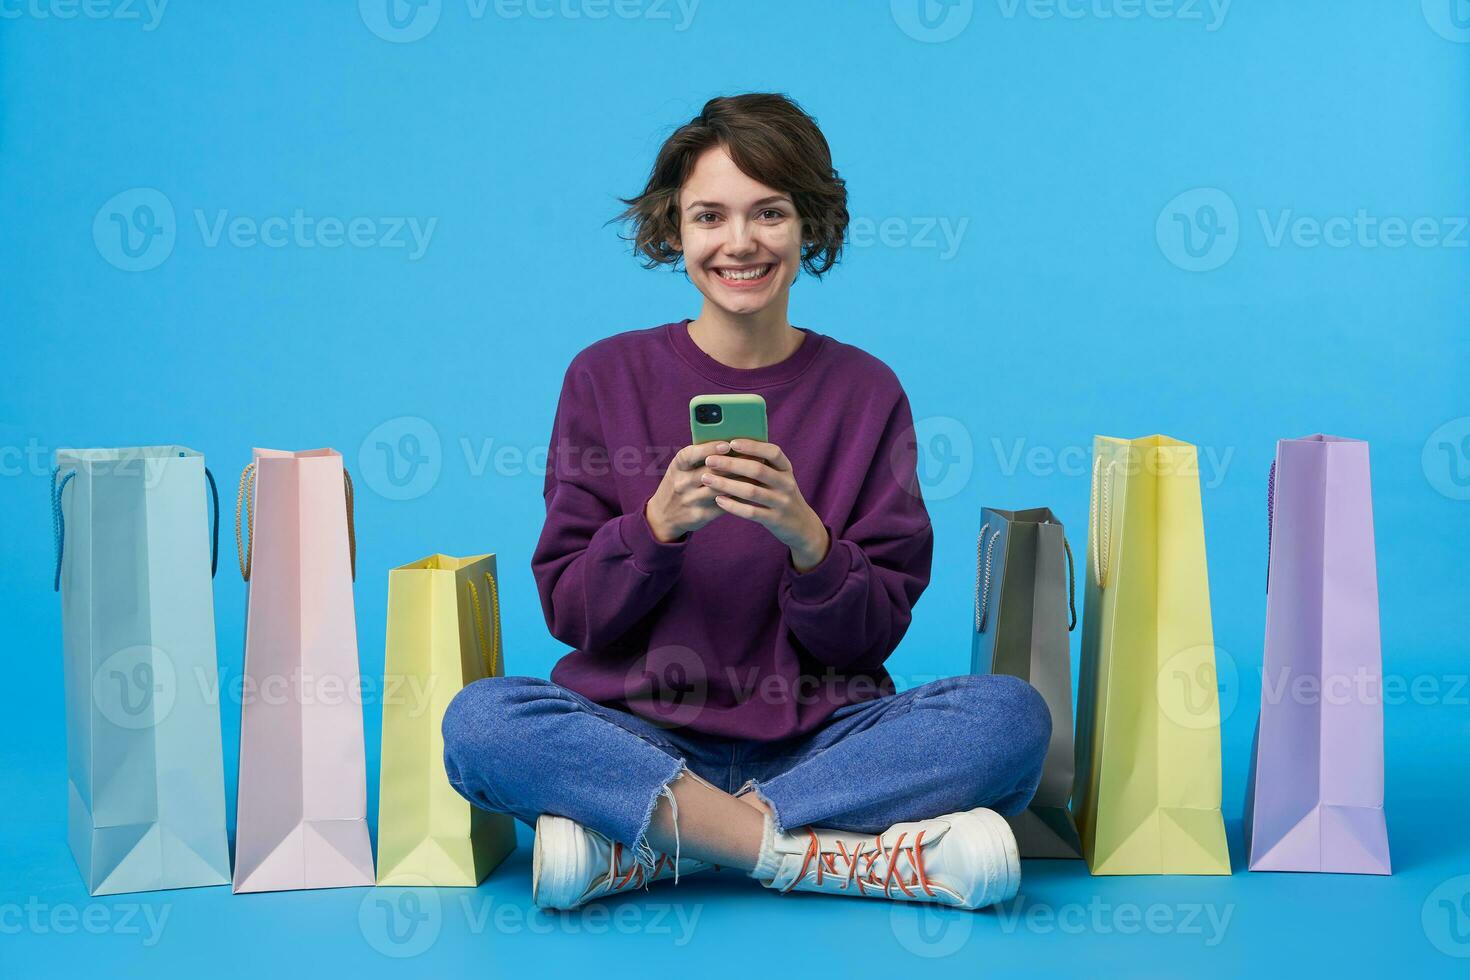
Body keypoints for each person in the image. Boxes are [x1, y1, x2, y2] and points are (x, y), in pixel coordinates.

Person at [442, 92, 1051, 912]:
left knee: (1008, 718)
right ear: (674, 230)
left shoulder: (865, 392)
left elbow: (876, 632)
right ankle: (814, 855)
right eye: (709, 216)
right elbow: (571, 615)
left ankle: (662, 848)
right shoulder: (604, 376)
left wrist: (807, 539)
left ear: (808, 228)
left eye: (769, 212)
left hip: (822, 749)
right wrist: (654, 531)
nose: (739, 243)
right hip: (638, 736)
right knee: (481, 722)